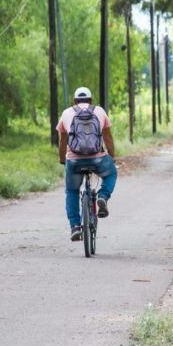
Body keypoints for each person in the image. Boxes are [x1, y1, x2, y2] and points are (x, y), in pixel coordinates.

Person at [56, 87, 118, 241]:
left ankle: (75, 227)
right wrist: (112, 156)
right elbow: (108, 137)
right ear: (91, 100)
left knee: (72, 191)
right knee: (111, 173)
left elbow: (62, 140)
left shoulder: (66, 113)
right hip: (98, 158)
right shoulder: (100, 111)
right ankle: (102, 196)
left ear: (74, 101)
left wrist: (62, 159)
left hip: (74, 160)